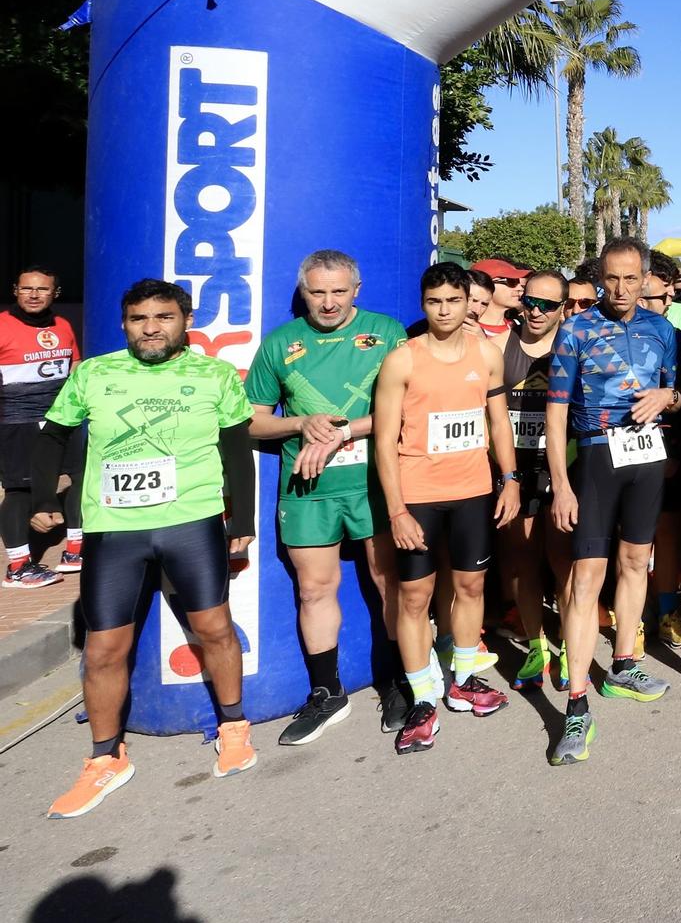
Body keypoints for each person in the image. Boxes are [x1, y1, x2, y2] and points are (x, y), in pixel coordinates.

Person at [35, 279, 258, 817]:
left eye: (163, 317)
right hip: (115, 530)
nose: (151, 328)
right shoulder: (95, 372)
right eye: (139, 319)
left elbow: (236, 447)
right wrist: (46, 499)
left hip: (191, 521)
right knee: (103, 648)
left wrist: (242, 519)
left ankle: (233, 726)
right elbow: (53, 434)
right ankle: (106, 758)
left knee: (213, 629)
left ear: (185, 321)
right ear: (124, 323)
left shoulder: (215, 374)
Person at [246, 250, 408, 745]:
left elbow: (407, 410)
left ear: (356, 290)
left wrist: (342, 432)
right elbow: (253, 420)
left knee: (389, 582)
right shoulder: (281, 343)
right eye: (318, 291)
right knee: (314, 589)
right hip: (308, 489)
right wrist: (299, 423)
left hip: (375, 482)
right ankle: (326, 691)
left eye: (339, 291)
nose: (329, 301)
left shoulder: (387, 333)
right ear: (303, 292)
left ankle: (403, 681)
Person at [371, 262, 520, 755]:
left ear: (468, 301)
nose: (444, 310)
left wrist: (510, 479)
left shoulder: (486, 354)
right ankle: (421, 697)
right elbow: (385, 441)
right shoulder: (403, 360)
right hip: (419, 495)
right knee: (414, 596)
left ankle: (463, 679)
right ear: (423, 304)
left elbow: (499, 423)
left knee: (470, 585)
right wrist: (397, 511)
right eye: (434, 302)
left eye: (453, 301)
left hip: (474, 490)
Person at [545, 238, 681, 758]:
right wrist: (561, 482)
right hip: (597, 457)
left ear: (646, 278)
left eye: (631, 279)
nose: (622, 288)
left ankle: (623, 664)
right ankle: (576, 706)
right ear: (600, 278)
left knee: (635, 561)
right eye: (612, 278)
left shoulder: (662, 329)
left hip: (647, 458)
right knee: (586, 578)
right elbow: (556, 412)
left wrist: (667, 397)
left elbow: (679, 395)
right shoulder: (576, 331)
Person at [499, 269, 569, 689]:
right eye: (530, 301)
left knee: (565, 564)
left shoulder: (574, 344)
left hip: (563, 468)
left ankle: (569, 646)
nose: (536, 311)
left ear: (563, 308)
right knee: (522, 564)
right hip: (516, 470)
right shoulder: (496, 347)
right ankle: (536, 644)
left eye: (548, 305)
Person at [2, 265, 75, 587]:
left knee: (83, 477)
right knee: (20, 490)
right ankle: (17, 567)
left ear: (55, 294)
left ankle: (75, 550)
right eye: (27, 289)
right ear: (15, 291)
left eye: (42, 289)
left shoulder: (63, 325)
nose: (34, 295)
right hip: (17, 423)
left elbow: (73, 367)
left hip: (62, 420)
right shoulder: (3, 325)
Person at [471, 258, 527, 335]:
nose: (520, 288)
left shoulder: (521, 329)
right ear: (484, 285)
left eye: (519, 283)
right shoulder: (462, 330)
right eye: (511, 281)